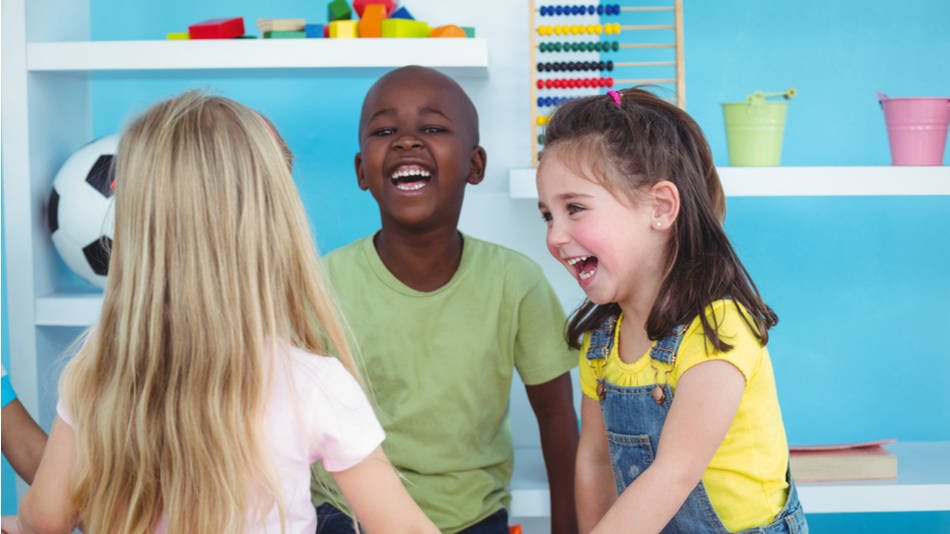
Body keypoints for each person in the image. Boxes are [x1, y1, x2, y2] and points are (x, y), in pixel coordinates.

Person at [10, 91, 440, 534]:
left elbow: (45, 521)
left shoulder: (100, 368)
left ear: (136, 228)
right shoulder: (313, 385)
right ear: (275, 226)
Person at [311, 65, 579, 534]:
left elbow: (557, 417)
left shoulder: (515, 282)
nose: (407, 142)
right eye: (385, 130)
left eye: (432, 128)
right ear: (361, 171)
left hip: (473, 519)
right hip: (347, 518)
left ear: (475, 165)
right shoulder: (319, 283)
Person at [536, 88, 807, 534]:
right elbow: (593, 460)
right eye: (548, 215)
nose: (555, 236)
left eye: (575, 209)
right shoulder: (601, 343)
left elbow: (673, 473)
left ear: (660, 208)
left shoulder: (719, 329)